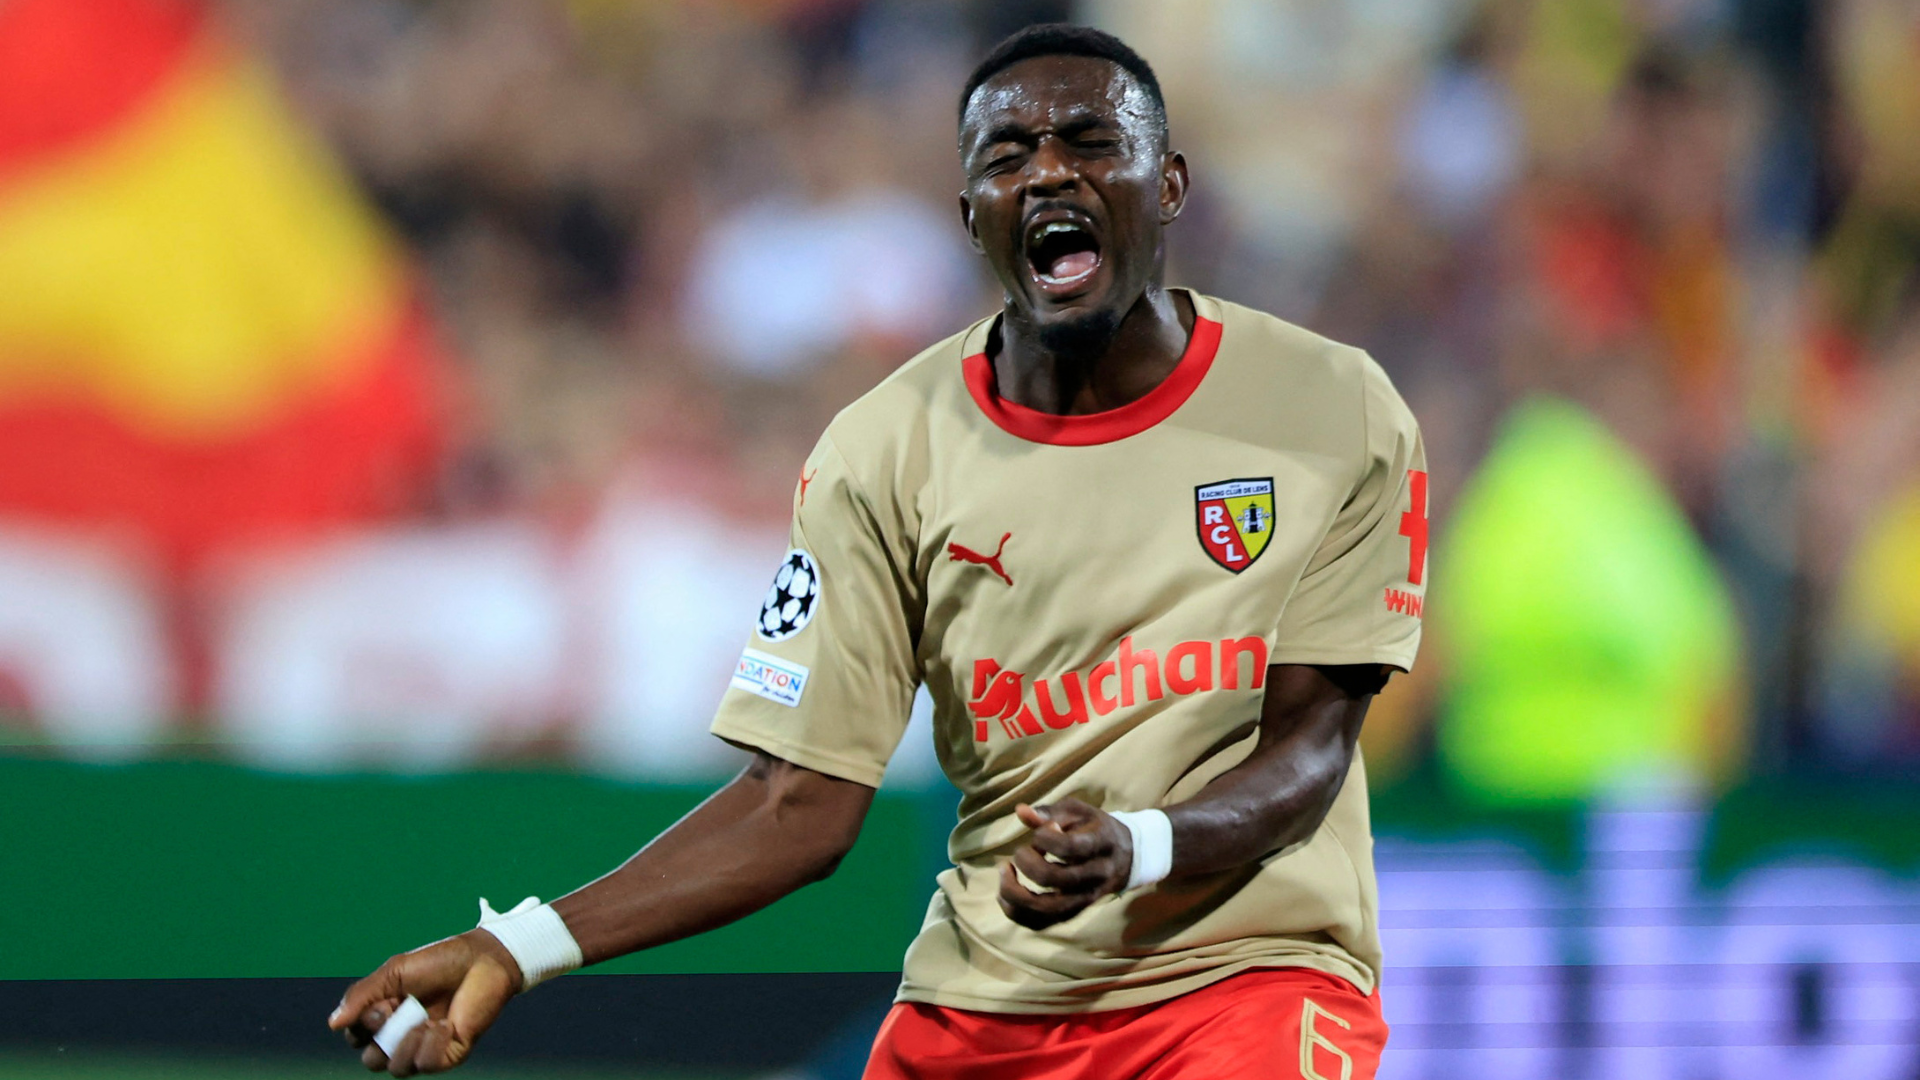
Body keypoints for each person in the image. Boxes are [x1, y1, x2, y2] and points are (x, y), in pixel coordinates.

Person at [329, 23, 1425, 1079]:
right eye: (1009, 156)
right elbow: (794, 805)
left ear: (1169, 186)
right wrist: (522, 947)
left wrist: (1138, 845)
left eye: (1091, 143)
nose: (1049, 174)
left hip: (1246, 984)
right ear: (970, 215)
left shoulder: (1328, 410)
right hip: (987, 1004)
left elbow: (1310, 751)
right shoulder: (880, 453)